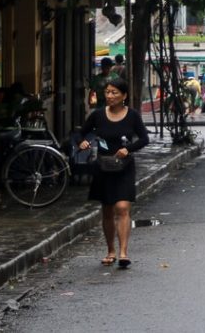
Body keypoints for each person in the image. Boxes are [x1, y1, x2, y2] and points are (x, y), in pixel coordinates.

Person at [78, 77, 150, 269]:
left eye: (114, 92)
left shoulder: (132, 116)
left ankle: (123, 252)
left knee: (123, 207)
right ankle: (110, 250)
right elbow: (80, 133)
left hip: (124, 167)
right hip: (103, 168)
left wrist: (129, 149)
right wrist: (82, 142)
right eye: (107, 92)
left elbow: (144, 139)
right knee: (108, 210)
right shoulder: (98, 115)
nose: (110, 96)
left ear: (124, 95)